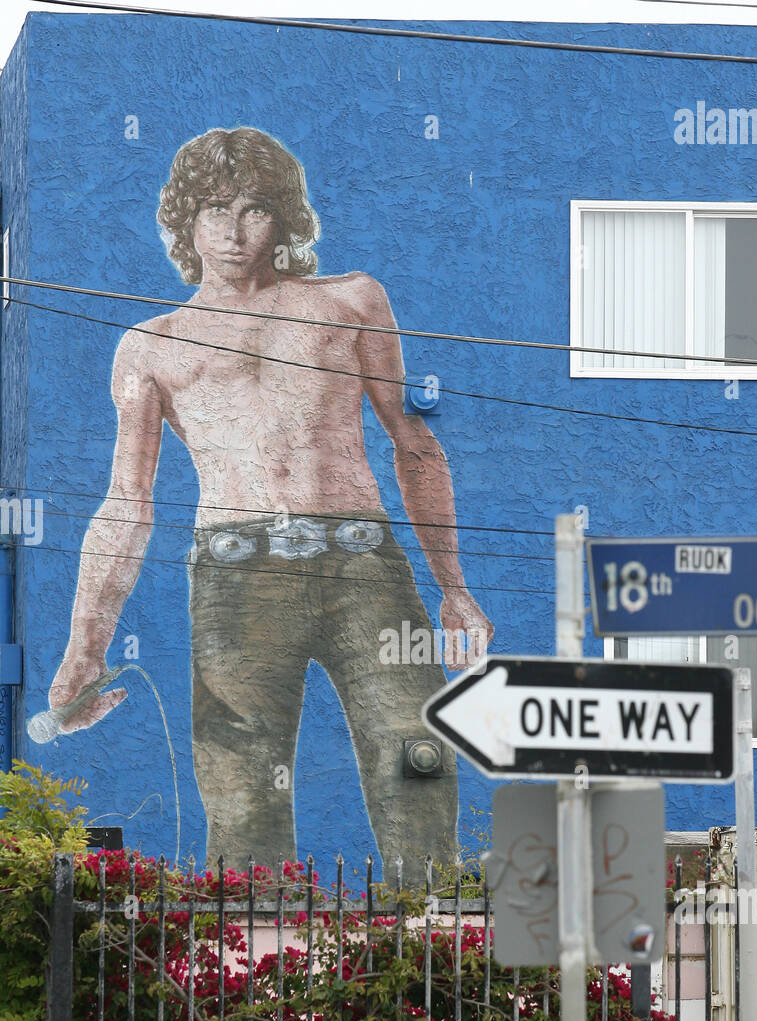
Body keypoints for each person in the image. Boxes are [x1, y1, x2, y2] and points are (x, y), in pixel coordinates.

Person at [47, 126, 493, 878]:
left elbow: (413, 443)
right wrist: (85, 646)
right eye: (215, 207)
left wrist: (455, 586)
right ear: (186, 219)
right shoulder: (153, 345)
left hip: (361, 562)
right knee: (242, 793)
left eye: (254, 208)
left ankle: (438, 967)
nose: (233, 229)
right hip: (236, 573)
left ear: (282, 218)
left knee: (414, 761)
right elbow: (126, 502)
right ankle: (249, 984)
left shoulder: (351, 301)